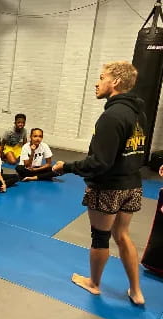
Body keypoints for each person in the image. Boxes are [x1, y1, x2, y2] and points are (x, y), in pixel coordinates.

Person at [53, 61, 147, 305]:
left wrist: (68, 167)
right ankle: (136, 291)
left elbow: (100, 162)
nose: (97, 81)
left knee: (100, 237)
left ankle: (94, 283)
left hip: (108, 187)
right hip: (133, 184)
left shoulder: (112, 116)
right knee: (123, 234)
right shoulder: (139, 113)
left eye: (102, 76)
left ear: (115, 82)